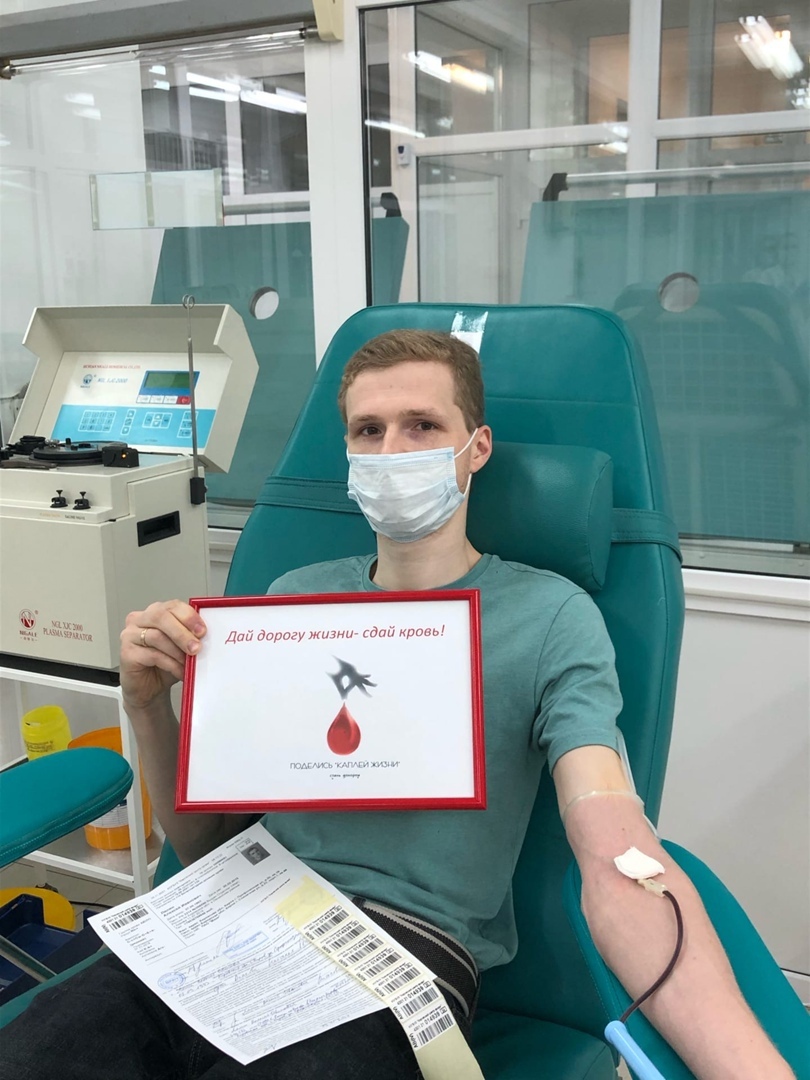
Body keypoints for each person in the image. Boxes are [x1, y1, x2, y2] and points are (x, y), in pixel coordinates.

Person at [2, 330, 793, 1080]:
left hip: (398, 951)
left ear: (476, 447)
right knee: (34, 1055)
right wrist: (148, 707)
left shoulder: (550, 617)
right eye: (368, 431)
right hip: (231, 915)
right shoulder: (291, 603)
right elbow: (207, 845)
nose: (392, 452)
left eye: (422, 425)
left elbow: (617, 851)